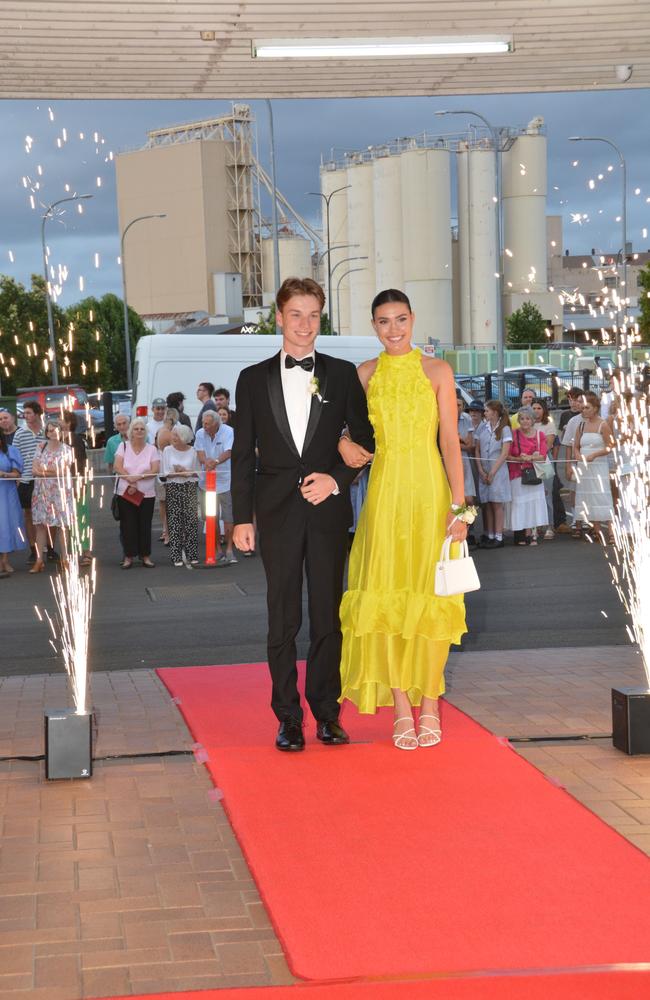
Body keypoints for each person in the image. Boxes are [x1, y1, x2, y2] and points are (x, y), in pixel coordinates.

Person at [232, 276, 374, 753]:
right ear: (278, 317)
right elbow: (241, 456)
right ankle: (287, 718)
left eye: (314, 315)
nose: (305, 325)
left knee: (328, 617)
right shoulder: (252, 379)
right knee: (282, 618)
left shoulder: (341, 373)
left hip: (328, 511)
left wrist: (336, 478)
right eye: (296, 314)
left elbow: (365, 441)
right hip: (274, 514)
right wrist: (241, 518)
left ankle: (327, 714)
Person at [337, 289, 467, 751]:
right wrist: (340, 445)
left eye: (401, 320)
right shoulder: (364, 375)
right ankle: (399, 707)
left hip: (431, 495)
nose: (393, 330)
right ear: (373, 326)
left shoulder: (437, 370)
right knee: (387, 598)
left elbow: (450, 441)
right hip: (385, 498)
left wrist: (460, 507)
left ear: (413, 320)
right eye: (383, 322)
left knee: (432, 598)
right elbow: (340, 432)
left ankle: (429, 703)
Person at [113, 417, 160, 569]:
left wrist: (138, 477)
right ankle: (128, 556)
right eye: (136, 428)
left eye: (141, 429)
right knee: (128, 525)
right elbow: (117, 466)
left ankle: (145, 555)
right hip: (126, 493)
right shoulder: (123, 446)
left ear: (145, 432)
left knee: (145, 525)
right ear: (131, 431)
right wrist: (130, 479)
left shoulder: (152, 449)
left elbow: (155, 470)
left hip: (147, 493)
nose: (139, 431)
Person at [30, 419, 74, 573]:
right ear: (46, 432)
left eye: (55, 430)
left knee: (62, 526)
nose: (52, 433)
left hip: (60, 492)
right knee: (40, 526)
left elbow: (63, 471)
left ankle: (65, 559)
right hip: (41, 492)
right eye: (49, 430)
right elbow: (34, 469)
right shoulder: (40, 447)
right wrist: (49, 472)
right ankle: (39, 560)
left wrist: (44, 471)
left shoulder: (67, 449)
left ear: (61, 431)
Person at [573, 391, 615, 543]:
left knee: (602, 495)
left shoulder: (603, 424)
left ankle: (611, 531)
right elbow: (575, 446)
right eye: (583, 408)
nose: (583, 410)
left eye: (587, 407)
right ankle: (597, 530)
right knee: (589, 497)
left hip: (598, 466)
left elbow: (611, 446)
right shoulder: (581, 425)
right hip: (584, 466)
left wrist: (595, 454)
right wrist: (578, 456)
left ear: (595, 408)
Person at [195, 410, 235, 563]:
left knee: (228, 517)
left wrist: (216, 462)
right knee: (211, 517)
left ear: (216, 423)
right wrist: (206, 462)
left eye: (207, 424)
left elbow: (229, 451)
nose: (204, 426)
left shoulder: (228, 431)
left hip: (225, 481)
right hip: (207, 483)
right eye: (203, 423)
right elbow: (200, 452)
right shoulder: (200, 433)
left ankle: (230, 549)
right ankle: (218, 549)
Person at [507, 406, 548, 546]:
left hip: (534, 474)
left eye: (528, 418)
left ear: (532, 420)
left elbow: (543, 456)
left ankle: (531, 533)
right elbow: (507, 455)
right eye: (522, 418)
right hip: (517, 473)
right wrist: (519, 459)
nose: (525, 421)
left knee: (533, 504)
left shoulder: (540, 435)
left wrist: (529, 458)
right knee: (519, 504)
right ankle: (519, 533)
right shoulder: (513, 434)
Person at [160, 424, 200, 566]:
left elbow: (196, 473)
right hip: (173, 486)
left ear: (184, 437)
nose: (173, 438)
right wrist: (180, 472)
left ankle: (192, 554)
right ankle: (176, 555)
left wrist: (184, 471)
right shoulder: (167, 450)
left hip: (189, 487)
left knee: (191, 521)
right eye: (173, 435)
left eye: (176, 435)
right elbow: (164, 473)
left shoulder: (194, 451)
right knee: (174, 521)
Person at [474, 400, 512, 548]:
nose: (485, 413)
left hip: (498, 471)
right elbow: (477, 450)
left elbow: (504, 452)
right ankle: (489, 534)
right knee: (487, 503)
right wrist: (481, 470)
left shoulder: (505, 429)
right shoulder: (482, 428)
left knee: (497, 503)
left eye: (487, 411)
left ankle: (498, 536)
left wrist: (492, 472)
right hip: (484, 470)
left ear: (495, 412)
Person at [13, 401, 46, 564]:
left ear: (37, 413)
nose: (25, 416)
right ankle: (33, 549)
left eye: (28, 413)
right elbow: (15, 457)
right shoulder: (20, 433)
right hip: (26, 479)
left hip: (45, 479)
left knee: (47, 515)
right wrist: (18, 478)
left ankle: (50, 548)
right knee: (28, 515)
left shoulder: (48, 431)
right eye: (24, 413)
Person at [62, 411, 92, 567]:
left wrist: (77, 483)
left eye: (62, 420)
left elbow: (80, 463)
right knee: (69, 520)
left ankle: (86, 552)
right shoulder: (59, 439)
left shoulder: (76, 440)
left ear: (68, 423)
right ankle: (73, 552)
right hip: (63, 485)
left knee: (81, 518)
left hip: (76, 482)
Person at [558, 387, 586, 536]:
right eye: (572, 400)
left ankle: (588, 519)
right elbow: (568, 444)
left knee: (590, 491)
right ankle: (577, 520)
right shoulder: (571, 420)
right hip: (576, 461)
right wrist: (568, 465)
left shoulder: (595, 418)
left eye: (579, 400)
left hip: (591, 461)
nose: (575, 403)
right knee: (574, 490)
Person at [0, 429, 27, 577]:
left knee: (7, 525)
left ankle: (5, 560)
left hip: (6, 492)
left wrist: (4, 474)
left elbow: (17, 474)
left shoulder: (10, 451)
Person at [531, 397, 558, 540]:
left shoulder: (549, 425)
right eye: (534, 408)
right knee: (533, 494)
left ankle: (549, 525)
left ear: (544, 410)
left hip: (544, 461)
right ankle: (536, 525)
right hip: (530, 462)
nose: (536, 411)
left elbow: (548, 444)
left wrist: (536, 453)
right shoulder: (528, 424)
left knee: (547, 493)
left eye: (539, 408)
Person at [153, 408, 179, 546]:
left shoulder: (159, 431)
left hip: (161, 470)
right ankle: (169, 533)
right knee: (170, 503)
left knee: (163, 503)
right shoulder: (168, 433)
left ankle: (165, 531)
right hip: (167, 471)